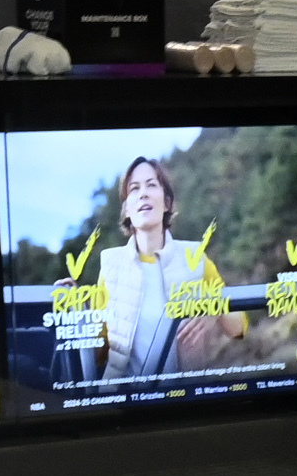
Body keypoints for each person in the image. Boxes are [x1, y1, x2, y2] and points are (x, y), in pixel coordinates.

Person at [81, 154, 230, 384]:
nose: (143, 194)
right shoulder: (111, 265)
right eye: (134, 189)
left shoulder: (196, 257)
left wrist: (214, 311)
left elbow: (239, 326)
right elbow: (97, 353)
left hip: (187, 402)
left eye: (152, 185)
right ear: (127, 209)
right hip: (124, 406)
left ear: (167, 203)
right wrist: (75, 304)